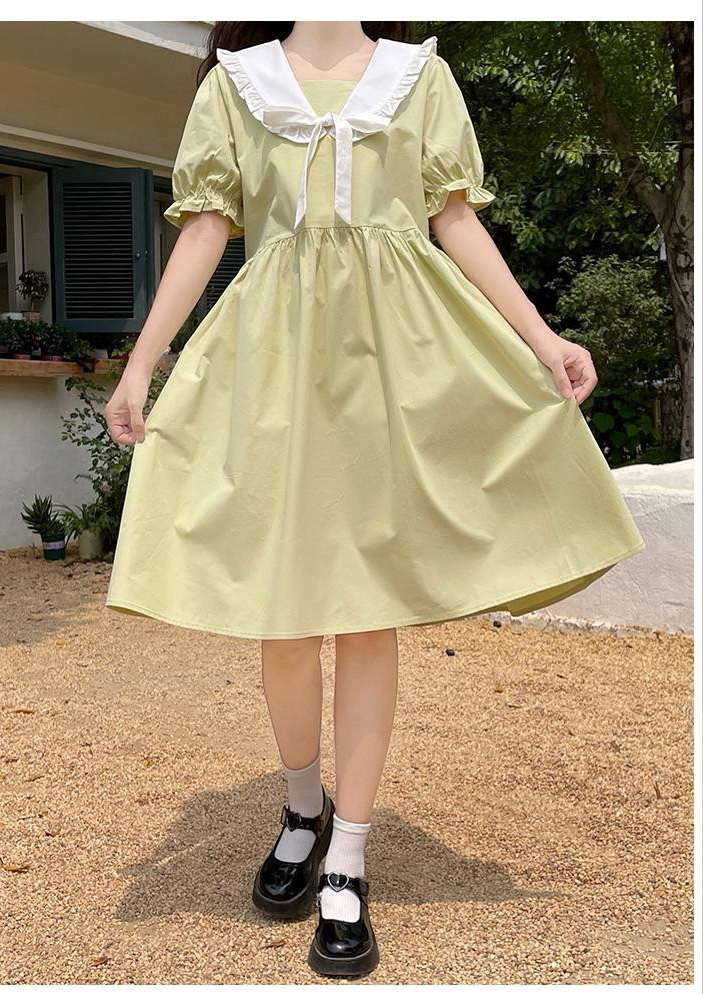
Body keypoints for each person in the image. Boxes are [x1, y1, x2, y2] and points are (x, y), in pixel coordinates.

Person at [102, 21, 645, 978]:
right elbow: (208, 228)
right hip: (273, 368)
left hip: (396, 365)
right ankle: (301, 807)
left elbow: (454, 219)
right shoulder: (236, 84)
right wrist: (143, 362)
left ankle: (347, 856)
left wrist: (541, 336)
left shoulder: (418, 77)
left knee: (365, 616)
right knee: (282, 612)